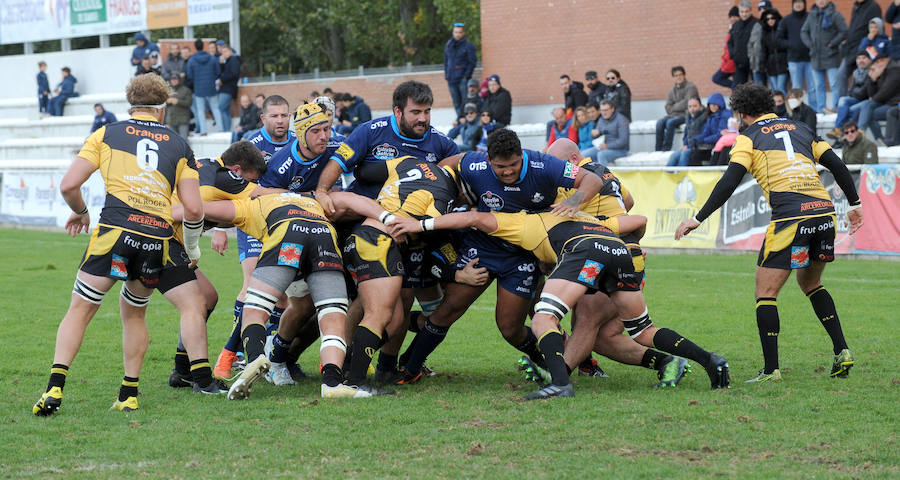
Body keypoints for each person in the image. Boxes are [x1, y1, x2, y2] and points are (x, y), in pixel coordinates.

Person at [389, 189, 728, 399]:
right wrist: (636, 248)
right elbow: (633, 221)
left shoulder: (526, 223)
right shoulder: (581, 215)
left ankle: (560, 383)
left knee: (544, 317)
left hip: (583, 252)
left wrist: (420, 226)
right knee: (643, 330)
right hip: (619, 252)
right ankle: (709, 360)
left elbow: (475, 218)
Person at [31, 74, 219, 417]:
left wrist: (81, 212)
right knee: (134, 313)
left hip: (115, 230)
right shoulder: (179, 144)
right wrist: (192, 249)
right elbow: (193, 209)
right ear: (162, 109)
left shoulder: (107, 133)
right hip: (155, 238)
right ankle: (128, 393)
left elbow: (69, 185)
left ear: (130, 104)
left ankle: (54, 389)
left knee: (81, 309)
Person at [675, 83, 863, 383]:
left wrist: (698, 218)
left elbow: (729, 181)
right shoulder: (802, 128)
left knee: (766, 292)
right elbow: (837, 164)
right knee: (811, 281)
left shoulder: (747, 138)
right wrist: (855, 204)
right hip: (824, 212)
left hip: (791, 216)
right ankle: (842, 350)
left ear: (740, 113)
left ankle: (771, 370)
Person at [395, 128, 606, 385]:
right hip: (482, 248)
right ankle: (410, 367)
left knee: (510, 329)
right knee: (447, 310)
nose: (507, 172)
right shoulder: (474, 162)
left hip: (523, 256)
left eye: (513, 165)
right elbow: (448, 165)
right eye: (500, 167)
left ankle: (550, 360)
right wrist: (441, 187)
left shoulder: (545, 164)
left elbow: (593, 179)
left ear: (522, 156)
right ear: (488, 160)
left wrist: (575, 200)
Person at [193, 191, 388, 399]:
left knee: (255, 310)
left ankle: (255, 359)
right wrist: (389, 218)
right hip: (325, 238)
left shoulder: (248, 205)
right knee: (333, 319)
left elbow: (195, 207)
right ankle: (332, 383)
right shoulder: (315, 197)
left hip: (288, 238)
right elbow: (354, 200)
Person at [212, 95, 295, 379]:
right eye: (275, 116)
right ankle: (229, 357)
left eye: (285, 115)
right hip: (251, 223)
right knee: (254, 288)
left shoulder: (297, 142)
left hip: (285, 224)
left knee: (284, 297)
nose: (281, 121)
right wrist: (221, 229)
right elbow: (221, 181)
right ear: (263, 118)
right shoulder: (250, 145)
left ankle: (275, 357)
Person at [801, 0, 847, 113]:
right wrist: (810, 44)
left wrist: (832, 43)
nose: (821, 1)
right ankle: (821, 110)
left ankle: (835, 108)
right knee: (819, 85)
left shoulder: (835, 14)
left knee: (834, 84)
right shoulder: (812, 15)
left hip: (832, 55)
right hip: (816, 57)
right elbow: (804, 31)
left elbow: (844, 31)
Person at [835, 0, 883, 105]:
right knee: (840, 75)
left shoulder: (873, 6)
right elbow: (853, 28)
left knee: (864, 78)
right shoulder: (856, 6)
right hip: (851, 50)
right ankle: (841, 104)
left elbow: (876, 26)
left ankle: (860, 104)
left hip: (865, 51)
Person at [777, 0, 816, 111]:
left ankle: (814, 109)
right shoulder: (786, 20)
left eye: (800, 2)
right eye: (796, 3)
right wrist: (790, 44)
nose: (798, 5)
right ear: (792, 4)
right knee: (796, 87)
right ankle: (796, 110)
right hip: (794, 60)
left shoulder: (810, 18)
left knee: (812, 87)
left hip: (810, 59)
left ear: (804, 4)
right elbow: (778, 39)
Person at [826, 51, 872, 139]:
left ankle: (839, 131)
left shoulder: (872, 70)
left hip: (866, 101)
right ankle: (838, 131)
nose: (861, 60)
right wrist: (854, 93)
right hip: (856, 99)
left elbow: (866, 90)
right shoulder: (856, 72)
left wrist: (855, 93)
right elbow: (852, 89)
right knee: (843, 101)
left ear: (869, 60)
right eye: (859, 58)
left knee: (845, 108)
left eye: (864, 58)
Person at [856, 53, 900, 142]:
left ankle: (876, 137)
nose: (874, 67)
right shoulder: (882, 72)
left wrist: (874, 99)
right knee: (866, 109)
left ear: (883, 61)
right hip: (886, 103)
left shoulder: (895, 71)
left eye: (875, 64)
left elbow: (885, 92)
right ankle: (878, 138)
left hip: (894, 104)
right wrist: (873, 80)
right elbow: (871, 94)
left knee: (867, 112)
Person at [656, 66, 699, 151]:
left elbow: (688, 102)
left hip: (685, 115)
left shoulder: (691, 87)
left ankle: (666, 149)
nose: (678, 77)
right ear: (673, 77)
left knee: (670, 123)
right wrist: (675, 108)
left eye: (680, 74)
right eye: (676, 75)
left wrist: (674, 107)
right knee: (660, 123)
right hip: (673, 115)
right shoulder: (672, 90)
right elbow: (667, 106)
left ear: (684, 75)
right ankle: (658, 150)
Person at [186, 39, 222, 136]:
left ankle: (203, 131)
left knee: (200, 111)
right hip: (211, 87)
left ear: (195, 47)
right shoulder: (212, 58)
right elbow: (218, 72)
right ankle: (221, 129)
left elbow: (189, 76)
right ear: (203, 46)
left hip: (198, 88)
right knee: (215, 108)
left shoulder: (192, 60)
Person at [444, 22, 477, 119]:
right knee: (456, 102)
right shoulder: (449, 45)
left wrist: (466, 76)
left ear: (463, 33)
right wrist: (447, 75)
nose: (457, 34)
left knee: (465, 101)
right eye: (455, 32)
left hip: (463, 79)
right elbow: (446, 61)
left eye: (459, 32)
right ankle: (460, 119)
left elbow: (472, 62)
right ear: (453, 33)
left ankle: (466, 120)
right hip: (451, 79)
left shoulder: (468, 46)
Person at [691, 93, 731, 165]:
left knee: (696, 155)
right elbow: (706, 132)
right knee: (693, 154)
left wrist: (704, 140)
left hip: (722, 148)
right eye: (711, 104)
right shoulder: (711, 117)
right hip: (712, 145)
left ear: (720, 104)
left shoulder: (725, 115)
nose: (712, 107)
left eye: (715, 104)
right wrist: (696, 139)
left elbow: (721, 135)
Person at [668, 97, 707, 167]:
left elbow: (704, 134)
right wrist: (685, 144)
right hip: (688, 146)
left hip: (698, 147)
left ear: (701, 106)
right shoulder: (688, 118)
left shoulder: (705, 117)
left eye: (695, 106)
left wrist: (689, 146)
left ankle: (682, 176)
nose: (692, 109)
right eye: (690, 106)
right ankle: (668, 176)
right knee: (673, 156)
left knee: (684, 155)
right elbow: (686, 134)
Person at [589, 100, 629, 165]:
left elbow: (623, 141)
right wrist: (595, 135)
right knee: (584, 154)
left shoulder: (621, 120)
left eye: (606, 110)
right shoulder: (601, 119)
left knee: (601, 155)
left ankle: (604, 175)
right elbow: (598, 136)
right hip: (603, 148)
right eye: (602, 110)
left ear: (612, 109)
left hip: (621, 150)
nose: (604, 113)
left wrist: (607, 146)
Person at [761, 9, 789, 94]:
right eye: (767, 19)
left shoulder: (782, 30)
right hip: (771, 65)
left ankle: (785, 107)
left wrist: (788, 62)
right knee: (774, 90)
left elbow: (787, 46)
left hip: (783, 62)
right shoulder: (764, 32)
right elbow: (763, 50)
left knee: (781, 89)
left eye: (772, 18)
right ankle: (777, 107)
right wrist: (763, 65)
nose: (770, 20)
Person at [729, 1, 757, 86]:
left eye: (746, 11)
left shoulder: (757, 23)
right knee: (740, 88)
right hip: (740, 63)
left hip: (754, 63)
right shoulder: (736, 25)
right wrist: (733, 54)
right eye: (742, 12)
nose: (744, 14)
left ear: (751, 11)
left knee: (757, 88)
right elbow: (730, 42)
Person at [713, 7, 741, 89]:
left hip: (734, 64)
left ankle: (737, 88)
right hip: (729, 62)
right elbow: (727, 48)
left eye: (735, 16)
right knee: (716, 78)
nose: (733, 18)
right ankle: (737, 87)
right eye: (731, 16)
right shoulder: (731, 30)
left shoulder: (737, 30)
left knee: (735, 89)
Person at [217, 44, 241, 133]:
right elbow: (223, 72)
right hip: (225, 88)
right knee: (225, 109)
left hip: (229, 89)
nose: (224, 54)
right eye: (222, 52)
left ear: (231, 51)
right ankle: (226, 129)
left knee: (221, 108)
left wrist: (222, 80)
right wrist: (221, 64)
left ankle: (226, 130)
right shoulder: (227, 61)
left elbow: (234, 74)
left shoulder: (234, 60)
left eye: (226, 51)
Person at [165, 74, 193, 139]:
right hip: (171, 119)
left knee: (184, 140)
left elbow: (189, 103)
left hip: (183, 119)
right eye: (172, 79)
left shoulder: (186, 90)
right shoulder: (167, 90)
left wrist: (178, 101)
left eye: (175, 79)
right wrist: (167, 101)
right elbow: (162, 104)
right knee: (173, 140)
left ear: (179, 80)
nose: (174, 81)